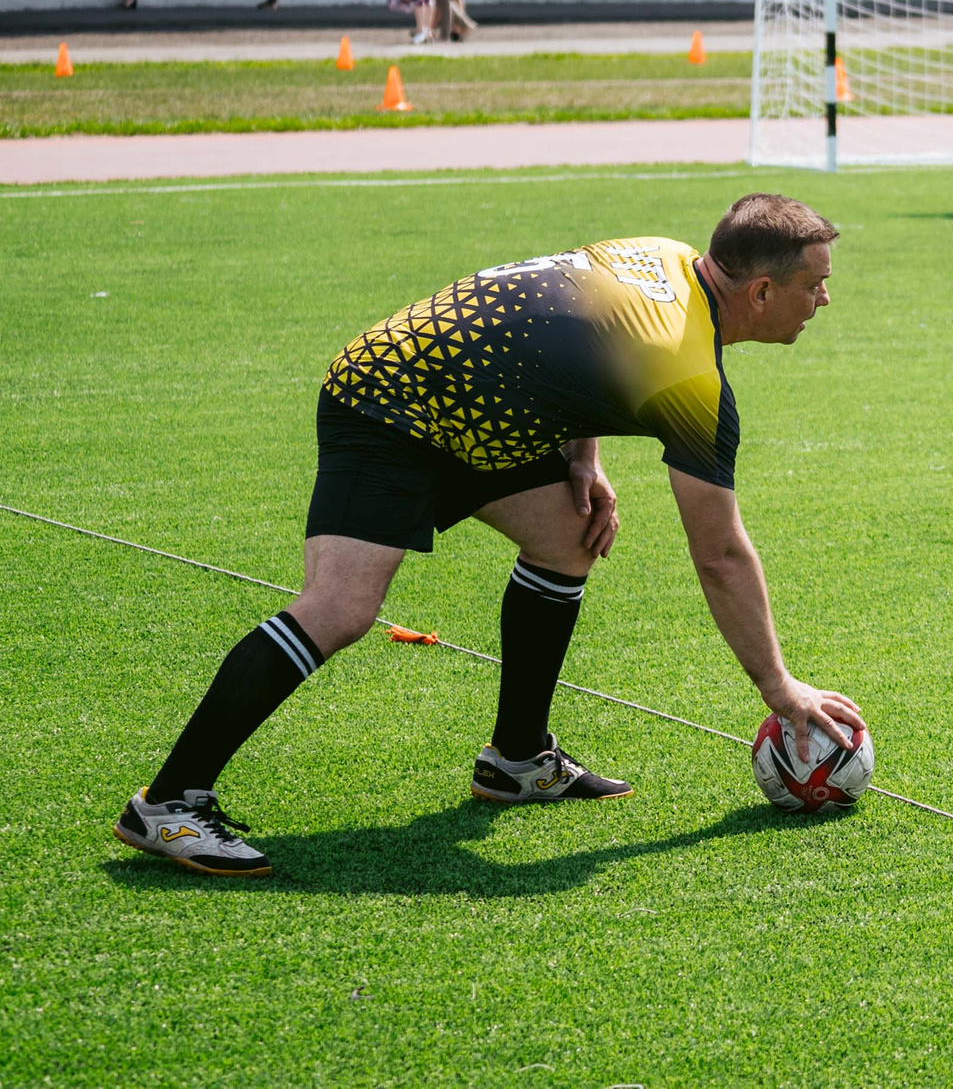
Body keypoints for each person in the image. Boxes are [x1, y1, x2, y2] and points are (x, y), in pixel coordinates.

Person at [111, 196, 867, 879]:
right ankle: (170, 802)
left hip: (466, 405)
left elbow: (572, 329)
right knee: (340, 608)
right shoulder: (693, 378)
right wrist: (780, 687)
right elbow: (720, 553)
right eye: (815, 284)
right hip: (389, 400)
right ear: (761, 291)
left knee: (568, 538)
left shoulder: (667, 256)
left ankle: (517, 759)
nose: (825, 297)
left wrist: (582, 457)